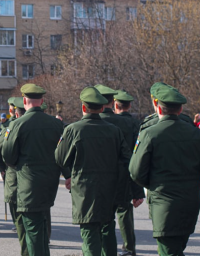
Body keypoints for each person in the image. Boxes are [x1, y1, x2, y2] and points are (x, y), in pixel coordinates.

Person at [55, 86, 130, 256]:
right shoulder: (114, 130)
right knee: (108, 227)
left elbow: (60, 159)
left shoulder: (73, 130)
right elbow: (127, 158)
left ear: (83, 107)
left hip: (84, 189)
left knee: (89, 233)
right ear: (102, 108)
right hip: (109, 188)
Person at [129, 84, 200, 256]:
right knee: (176, 249)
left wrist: (153, 184)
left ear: (156, 105)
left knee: (168, 250)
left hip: (164, 202)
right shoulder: (196, 134)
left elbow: (135, 171)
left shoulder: (150, 133)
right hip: (190, 202)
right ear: (181, 108)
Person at [2, 84, 64, 255]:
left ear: (24, 101)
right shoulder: (56, 124)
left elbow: (7, 156)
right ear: (42, 101)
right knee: (42, 229)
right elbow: (64, 153)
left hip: (28, 183)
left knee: (33, 232)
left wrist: (17, 164)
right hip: (50, 183)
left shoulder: (17, 124)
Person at [95, 85, 146, 256]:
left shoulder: (96, 122)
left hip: (101, 175)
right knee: (124, 211)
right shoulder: (133, 123)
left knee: (104, 216)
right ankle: (129, 247)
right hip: (125, 173)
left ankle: (106, 250)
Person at [0, 97, 28, 256]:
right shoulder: (50, 124)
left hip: (16, 178)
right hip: (42, 181)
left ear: (15, 113)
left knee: (20, 218)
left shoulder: (10, 128)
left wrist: (4, 167)